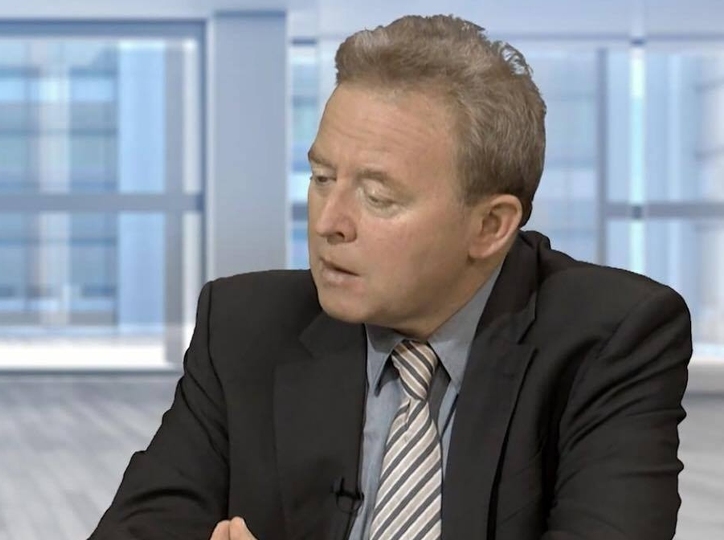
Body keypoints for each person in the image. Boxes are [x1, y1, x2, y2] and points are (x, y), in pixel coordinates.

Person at [89, 14, 691, 540]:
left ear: (490, 226)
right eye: (322, 179)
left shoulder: (611, 339)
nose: (328, 222)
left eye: (377, 197)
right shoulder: (244, 325)